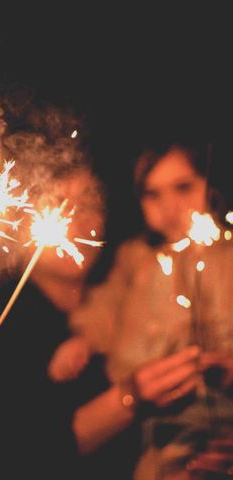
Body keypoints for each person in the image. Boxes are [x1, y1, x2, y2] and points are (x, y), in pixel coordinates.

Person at [48, 138, 233, 479]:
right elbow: (107, 304)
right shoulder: (135, 257)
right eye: (153, 194)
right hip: (157, 416)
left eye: (183, 187)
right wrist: (84, 339)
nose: (170, 205)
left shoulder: (227, 256)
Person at [0, 165, 110, 479]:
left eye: (89, 205)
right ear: (22, 221)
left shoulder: (123, 298)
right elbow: (18, 455)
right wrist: (132, 397)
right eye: (56, 206)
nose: (78, 222)